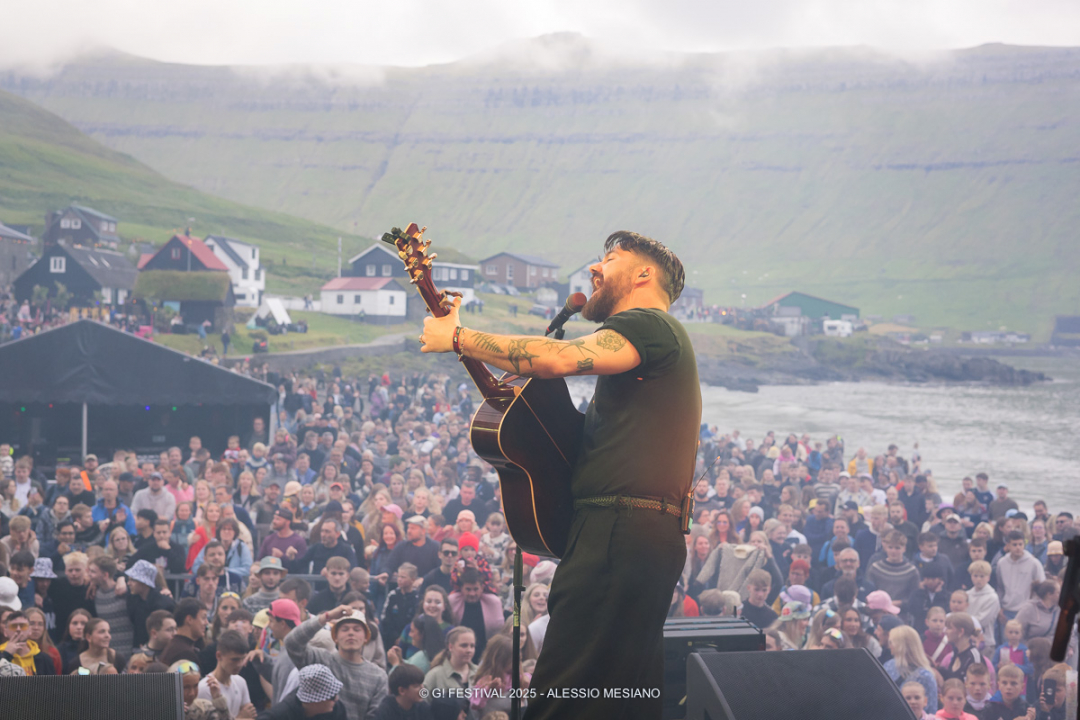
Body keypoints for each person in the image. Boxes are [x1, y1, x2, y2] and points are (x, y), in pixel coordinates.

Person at [419, 231, 698, 720]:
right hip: (640, 534)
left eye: (610, 258)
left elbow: (558, 359)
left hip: (618, 533)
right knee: (620, 696)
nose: (594, 268)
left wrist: (458, 338)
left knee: (563, 695)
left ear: (643, 274)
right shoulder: (656, 346)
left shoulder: (649, 324)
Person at [284, 605, 389, 720]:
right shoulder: (321, 660)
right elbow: (292, 643)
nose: (351, 633)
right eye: (345, 629)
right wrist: (326, 617)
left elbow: (376, 715)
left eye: (357, 629)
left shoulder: (378, 676)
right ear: (335, 638)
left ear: (366, 638)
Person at [197, 629, 256, 718]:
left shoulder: (241, 682)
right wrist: (240, 718)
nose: (239, 664)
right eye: (235, 659)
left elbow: (249, 716)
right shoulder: (205, 688)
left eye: (242, 659)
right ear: (219, 656)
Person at [258, 663, 348, 720]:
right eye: (331, 696)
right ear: (314, 701)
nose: (336, 698)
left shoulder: (337, 709)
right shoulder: (282, 714)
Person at [885, 625, 940, 714]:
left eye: (891, 642)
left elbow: (931, 711)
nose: (889, 646)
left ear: (900, 645)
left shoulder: (925, 676)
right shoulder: (888, 665)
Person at [0, 610, 57, 675]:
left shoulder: (44, 659)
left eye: (23, 626)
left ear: (30, 630)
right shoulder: (2, 654)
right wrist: (6, 654)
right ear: (5, 632)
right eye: (13, 626)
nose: (18, 629)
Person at [161, 598, 209, 666]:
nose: (206, 622)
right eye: (203, 618)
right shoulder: (185, 654)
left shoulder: (174, 645)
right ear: (189, 620)